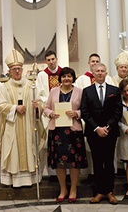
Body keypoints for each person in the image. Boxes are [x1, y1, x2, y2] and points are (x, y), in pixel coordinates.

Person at [0, 49, 46, 187]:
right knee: (14, 151)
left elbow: (41, 103)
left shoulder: (32, 85)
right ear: (9, 70)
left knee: (30, 148)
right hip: (12, 127)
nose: (17, 71)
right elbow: (0, 106)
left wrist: (37, 107)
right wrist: (14, 108)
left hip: (29, 126)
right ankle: (14, 179)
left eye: (19, 68)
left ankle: (31, 178)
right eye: (14, 69)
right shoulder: (4, 87)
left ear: (22, 69)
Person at [43, 67, 87, 203]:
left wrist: (77, 114)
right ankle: (63, 189)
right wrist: (51, 113)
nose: (66, 79)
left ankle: (73, 188)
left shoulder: (80, 92)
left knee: (74, 162)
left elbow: (85, 110)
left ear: (73, 78)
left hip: (73, 131)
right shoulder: (53, 91)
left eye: (69, 76)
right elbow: (46, 107)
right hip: (57, 131)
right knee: (59, 162)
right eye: (64, 76)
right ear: (60, 78)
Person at [80, 63, 122, 204]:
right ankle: (99, 192)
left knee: (109, 162)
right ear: (92, 73)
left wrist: (107, 127)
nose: (99, 73)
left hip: (110, 132)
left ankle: (109, 192)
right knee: (97, 162)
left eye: (102, 71)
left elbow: (118, 112)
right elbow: (85, 112)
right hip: (94, 133)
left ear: (106, 73)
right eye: (97, 71)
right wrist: (97, 128)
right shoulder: (87, 91)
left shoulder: (114, 91)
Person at [75, 53, 113, 178]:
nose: (95, 63)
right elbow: (82, 106)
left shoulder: (109, 81)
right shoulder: (82, 80)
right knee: (94, 155)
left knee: (108, 158)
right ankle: (91, 174)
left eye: (97, 61)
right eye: (93, 61)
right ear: (89, 63)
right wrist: (96, 127)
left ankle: (109, 189)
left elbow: (115, 108)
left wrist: (107, 126)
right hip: (90, 124)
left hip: (108, 128)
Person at [36, 50, 63, 180]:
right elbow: (40, 94)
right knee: (50, 141)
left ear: (56, 59)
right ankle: (52, 172)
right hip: (48, 112)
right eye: (48, 60)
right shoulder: (42, 75)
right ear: (46, 61)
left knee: (64, 140)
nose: (51, 62)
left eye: (53, 59)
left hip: (63, 111)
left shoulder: (64, 73)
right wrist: (51, 103)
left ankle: (66, 172)